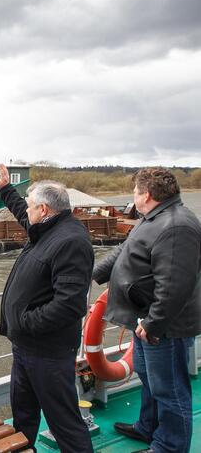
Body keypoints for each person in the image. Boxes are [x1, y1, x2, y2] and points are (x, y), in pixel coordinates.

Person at [92, 168, 201, 453]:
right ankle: (148, 427)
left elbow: (175, 284)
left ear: (147, 195)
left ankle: (169, 446)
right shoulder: (153, 218)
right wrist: (92, 273)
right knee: (148, 375)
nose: (134, 197)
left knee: (169, 388)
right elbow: (124, 252)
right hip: (144, 318)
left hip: (164, 326)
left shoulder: (177, 226)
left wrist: (154, 324)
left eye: (136, 192)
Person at [0, 164, 94, 453]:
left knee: (63, 420)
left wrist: (25, 322)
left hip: (47, 352)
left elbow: (70, 305)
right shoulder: (47, 230)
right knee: (23, 414)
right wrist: (4, 189)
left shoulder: (71, 241)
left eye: (30, 207)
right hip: (25, 347)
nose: (27, 212)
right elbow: (22, 214)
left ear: (45, 210)